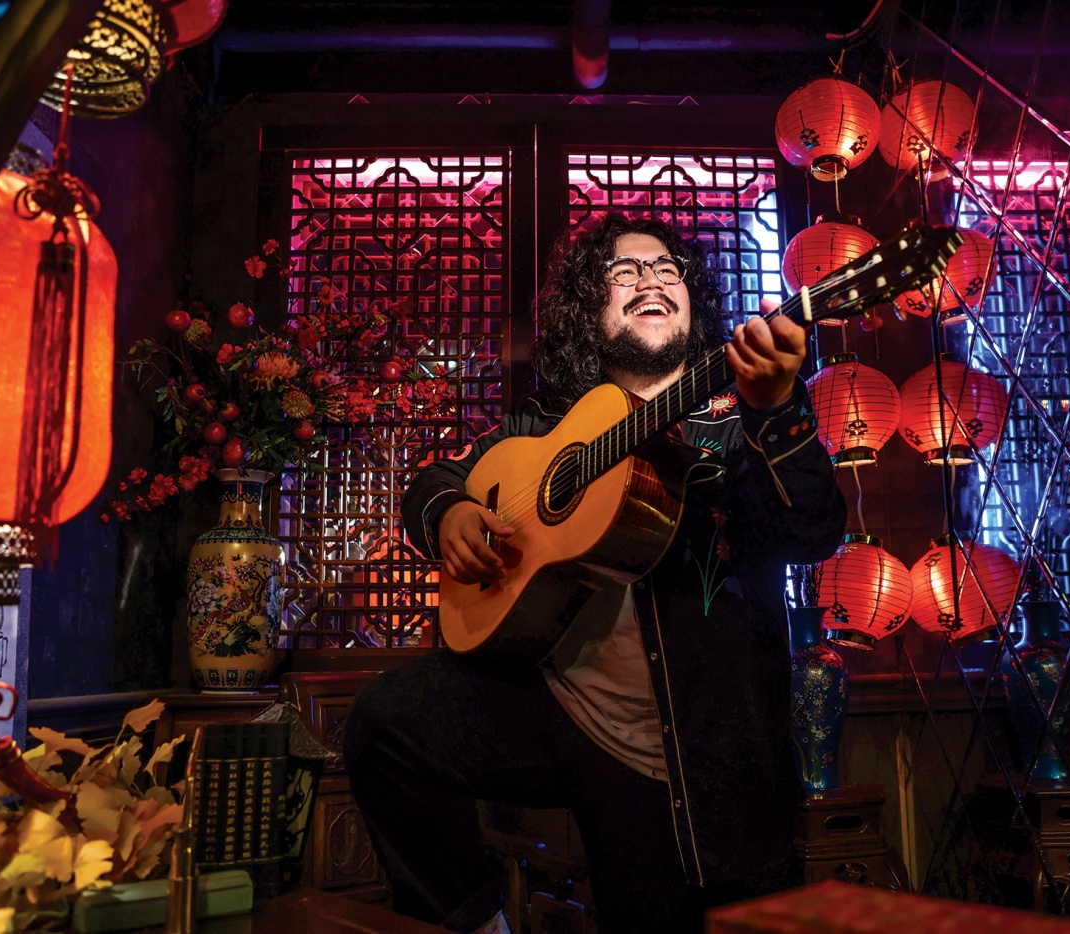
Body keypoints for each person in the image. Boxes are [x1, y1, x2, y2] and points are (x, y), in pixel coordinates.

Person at [343, 213, 847, 934]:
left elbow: (815, 531)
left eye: (667, 268)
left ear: (691, 300)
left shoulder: (739, 425)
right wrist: (449, 514)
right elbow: (436, 481)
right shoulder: (546, 428)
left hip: (696, 764)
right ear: (590, 308)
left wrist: (777, 412)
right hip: (557, 708)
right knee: (387, 724)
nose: (650, 279)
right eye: (624, 271)